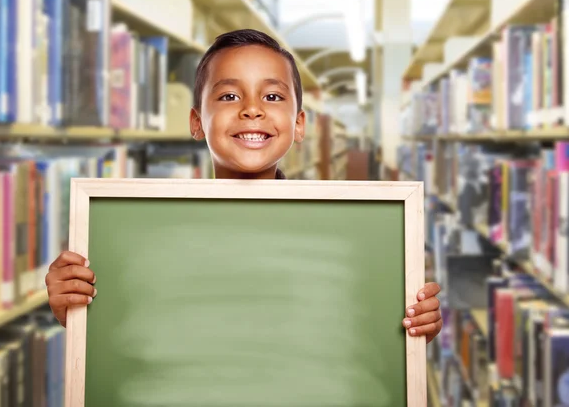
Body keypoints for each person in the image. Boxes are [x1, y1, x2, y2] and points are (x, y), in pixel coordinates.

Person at [46, 29, 442, 343]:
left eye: (272, 95)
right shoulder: (140, 235)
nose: (252, 109)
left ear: (299, 124)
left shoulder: (349, 236)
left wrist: (413, 327)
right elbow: (133, 333)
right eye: (230, 95)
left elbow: (361, 333)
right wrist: (78, 313)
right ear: (197, 121)